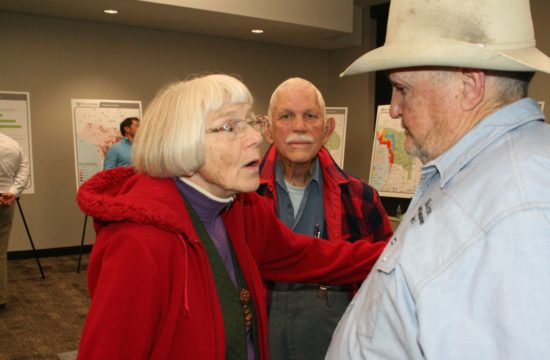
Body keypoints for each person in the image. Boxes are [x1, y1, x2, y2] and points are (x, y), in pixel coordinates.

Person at [76, 74, 388, 359]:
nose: (255, 137)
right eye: (230, 127)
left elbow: (307, 256)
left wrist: (397, 252)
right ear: (183, 141)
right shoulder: (139, 242)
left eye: (250, 122)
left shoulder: (237, 210)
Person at [326, 0, 550, 358]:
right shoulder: (476, 173)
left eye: (402, 89)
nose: (395, 108)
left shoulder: (522, 206)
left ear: (470, 86)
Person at [257, 77, 392, 360]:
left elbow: (387, 277)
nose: (299, 127)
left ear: (328, 128)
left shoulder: (360, 198)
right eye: (286, 116)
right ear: (268, 129)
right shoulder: (241, 197)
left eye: (310, 116)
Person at [0, 132, 30, 310]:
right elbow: (24, 169)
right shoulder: (12, 143)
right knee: (1, 251)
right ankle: (0, 297)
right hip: (6, 202)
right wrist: (13, 191)